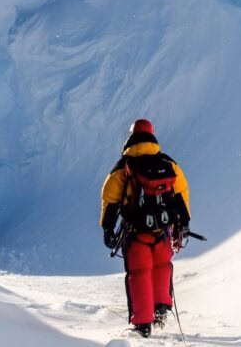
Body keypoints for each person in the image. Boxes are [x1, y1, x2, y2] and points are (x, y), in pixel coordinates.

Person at [100, 119, 191, 338]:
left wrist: (107, 228)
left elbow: (110, 198)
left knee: (139, 273)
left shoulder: (124, 167)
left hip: (136, 231)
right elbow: (181, 193)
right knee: (162, 266)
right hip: (164, 229)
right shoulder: (167, 163)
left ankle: (142, 325)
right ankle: (161, 310)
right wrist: (183, 223)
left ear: (130, 136)